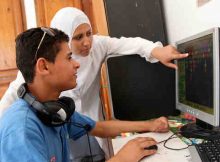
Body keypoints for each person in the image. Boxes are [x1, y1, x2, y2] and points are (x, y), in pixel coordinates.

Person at [0, 7, 188, 158]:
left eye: (89, 34)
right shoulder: (21, 130)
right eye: (68, 57)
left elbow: (99, 127)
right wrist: (123, 158)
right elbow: (8, 106)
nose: (88, 42)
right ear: (43, 67)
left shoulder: (57, 112)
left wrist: (149, 124)